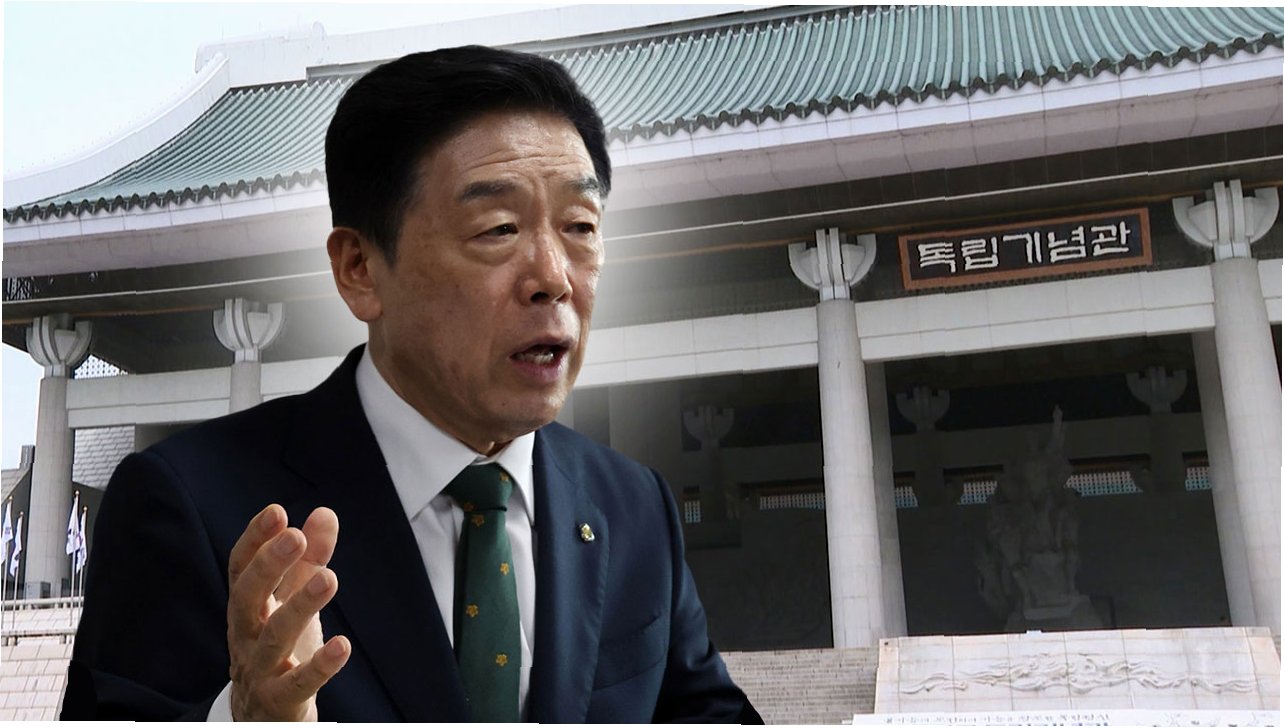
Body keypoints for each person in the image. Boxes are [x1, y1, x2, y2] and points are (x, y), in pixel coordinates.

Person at [60, 46, 761, 723]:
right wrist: (243, 720)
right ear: (360, 269)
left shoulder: (633, 506)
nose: (553, 277)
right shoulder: (189, 503)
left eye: (581, 226)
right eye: (498, 228)